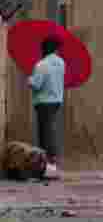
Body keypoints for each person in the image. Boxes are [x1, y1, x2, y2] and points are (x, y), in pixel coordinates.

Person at [29, 36, 65, 178]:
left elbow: (36, 84)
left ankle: (48, 164)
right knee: (50, 129)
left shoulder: (41, 65)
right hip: (56, 100)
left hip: (43, 101)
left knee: (45, 132)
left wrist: (30, 79)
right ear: (54, 49)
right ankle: (50, 163)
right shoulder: (61, 63)